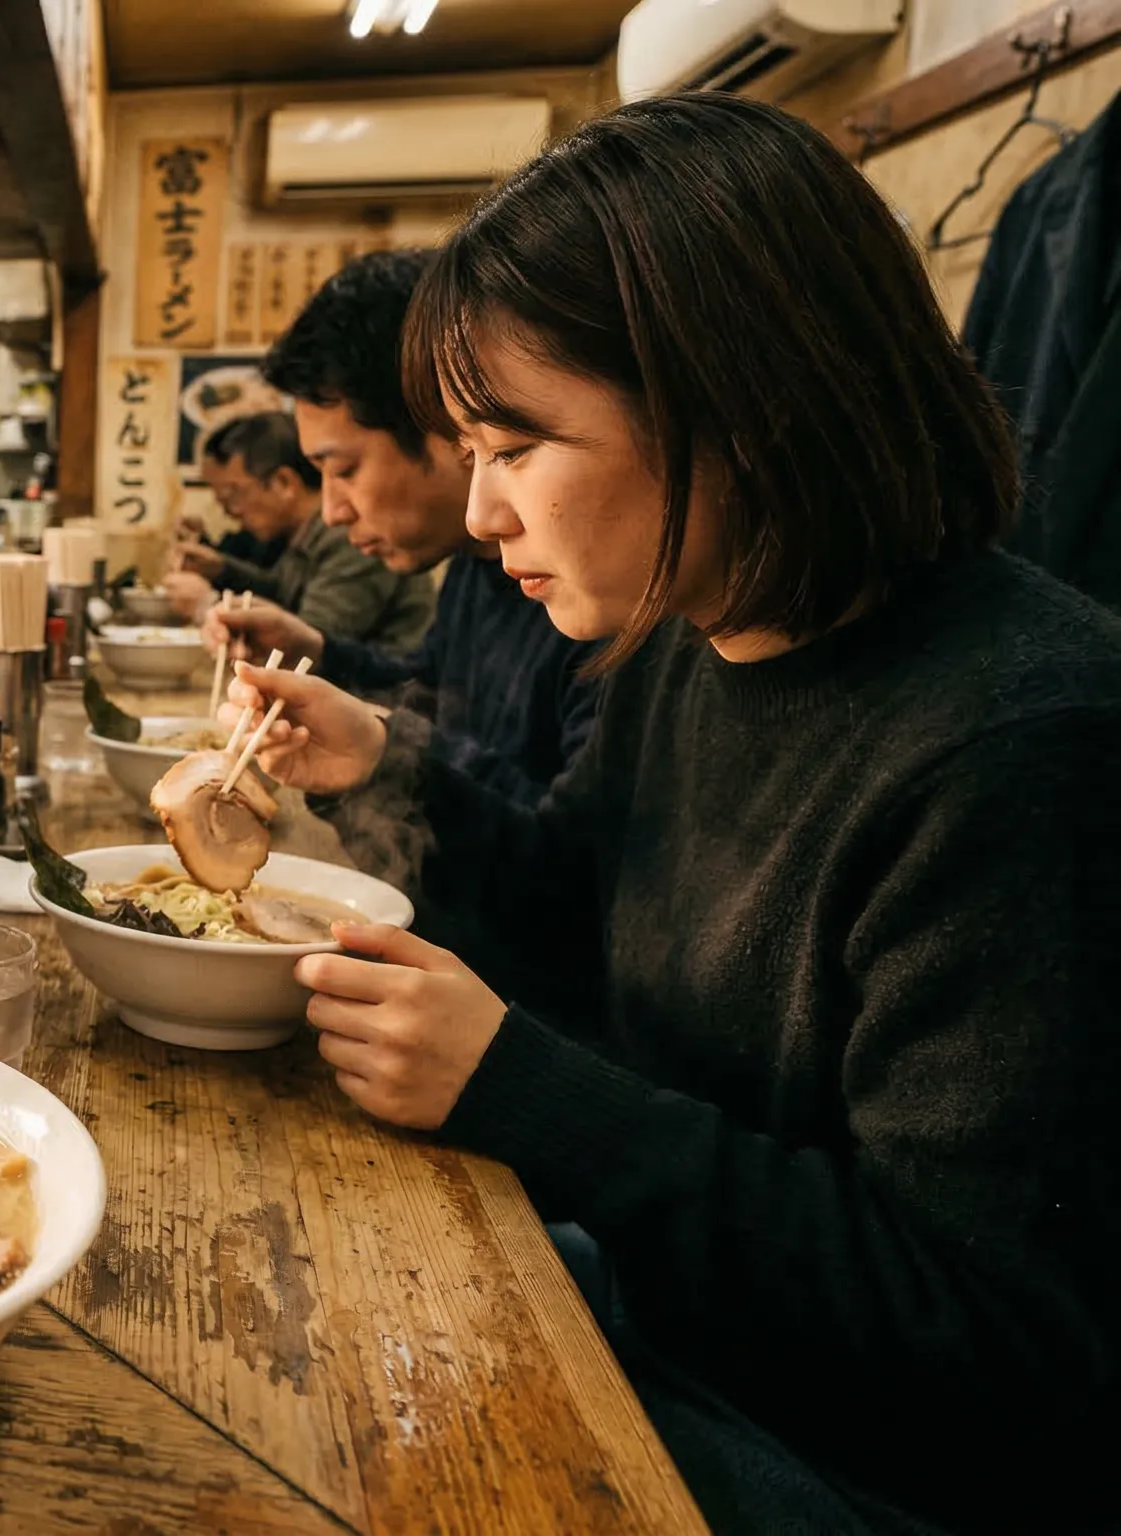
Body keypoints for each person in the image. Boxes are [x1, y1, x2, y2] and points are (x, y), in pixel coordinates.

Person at [227, 94, 1121, 1535]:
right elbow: (584, 907)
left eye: (516, 449)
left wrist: (522, 1088)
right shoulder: (698, 638)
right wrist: (378, 761)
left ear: (736, 404)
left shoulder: (1026, 747)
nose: (479, 517)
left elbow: (991, 1335)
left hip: (868, 1468)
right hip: (682, 1326)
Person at [200, 251, 601, 808]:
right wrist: (315, 652)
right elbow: (432, 694)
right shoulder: (472, 563)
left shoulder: (602, 598)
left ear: (443, 424)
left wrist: (382, 758)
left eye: (344, 471)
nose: (333, 512)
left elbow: (570, 863)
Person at [168, 411, 436, 653]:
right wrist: (220, 569)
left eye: (233, 494)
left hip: (380, 700)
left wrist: (209, 605)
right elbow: (280, 592)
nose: (230, 511)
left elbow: (311, 641)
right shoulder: (303, 533)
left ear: (284, 483)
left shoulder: (348, 535)